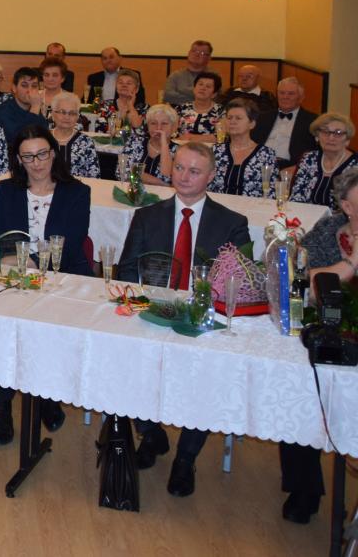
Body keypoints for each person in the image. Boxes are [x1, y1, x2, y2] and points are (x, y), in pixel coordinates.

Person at [116, 141, 251, 497]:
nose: (184, 176)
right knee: (126, 359)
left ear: (211, 176)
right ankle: (152, 434)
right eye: (178, 168)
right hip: (154, 311)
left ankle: (185, 457)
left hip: (204, 319)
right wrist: (143, 307)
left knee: (207, 377)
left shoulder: (232, 223)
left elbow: (240, 283)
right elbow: (127, 270)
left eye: (194, 171)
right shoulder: (148, 216)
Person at [0, 124, 93, 444]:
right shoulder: (6, 190)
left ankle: (44, 392)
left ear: (54, 153)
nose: (37, 162)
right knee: (6, 324)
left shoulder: (77, 191)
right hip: (15, 274)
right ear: (18, 159)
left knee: (50, 324)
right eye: (28, 156)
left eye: (42, 154)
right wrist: (18, 266)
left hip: (64, 274)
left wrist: (29, 263)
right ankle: (2, 403)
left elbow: (71, 244)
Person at [285, 168, 358, 523]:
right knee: (298, 386)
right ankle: (305, 487)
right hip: (331, 333)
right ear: (347, 206)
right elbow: (300, 281)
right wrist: (351, 264)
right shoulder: (329, 230)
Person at [209, 98, 277, 197]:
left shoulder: (266, 154)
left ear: (252, 124)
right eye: (229, 118)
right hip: (217, 205)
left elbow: (271, 192)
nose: (232, 122)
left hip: (253, 206)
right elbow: (204, 185)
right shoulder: (215, 151)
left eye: (238, 118)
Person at [289, 113, 358, 209]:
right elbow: (296, 196)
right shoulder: (309, 158)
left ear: (347, 140)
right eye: (325, 131)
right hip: (306, 215)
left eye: (338, 133)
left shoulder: (355, 165)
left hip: (343, 218)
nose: (331, 137)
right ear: (317, 137)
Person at [253, 76, 317, 167]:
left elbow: (315, 152)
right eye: (282, 93)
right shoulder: (263, 117)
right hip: (259, 163)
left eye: (291, 94)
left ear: (301, 97)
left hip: (291, 166)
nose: (285, 97)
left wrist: (297, 168)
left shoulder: (312, 121)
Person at [47, 92, 100, 178]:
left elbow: (94, 176)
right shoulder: (43, 139)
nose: (67, 117)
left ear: (77, 117)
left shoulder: (86, 142)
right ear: (53, 114)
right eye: (62, 112)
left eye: (72, 113)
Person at [125, 103, 181, 184]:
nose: (158, 128)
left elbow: (169, 179)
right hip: (133, 190)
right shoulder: (134, 143)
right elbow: (123, 172)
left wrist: (164, 144)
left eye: (164, 123)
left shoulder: (180, 152)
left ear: (173, 127)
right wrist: (160, 183)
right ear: (147, 126)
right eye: (153, 123)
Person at [0, 67, 47, 144]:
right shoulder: (2, 112)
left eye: (34, 86)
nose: (29, 90)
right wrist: (35, 107)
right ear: (14, 88)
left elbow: (45, 134)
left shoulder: (34, 109)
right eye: (24, 85)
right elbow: (20, 141)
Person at [162, 39, 213, 106]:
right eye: (194, 51)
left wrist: (182, 90)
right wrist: (199, 98)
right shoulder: (175, 76)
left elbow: (216, 98)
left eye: (202, 53)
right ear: (188, 53)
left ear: (209, 58)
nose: (197, 54)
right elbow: (168, 96)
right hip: (177, 111)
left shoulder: (213, 77)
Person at [176, 71, 224, 142]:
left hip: (210, 148)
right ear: (194, 88)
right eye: (200, 84)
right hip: (181, 146)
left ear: (214, 94)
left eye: (208, 86)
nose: (203, 88)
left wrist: (191, 138)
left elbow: (220, 137)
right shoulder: (181, 108)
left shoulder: (221, 111)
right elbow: (172, 132)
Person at [103, 68, 148, 134]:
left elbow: (137, 127)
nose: (124, 85)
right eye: (120, 82)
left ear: (137, 89)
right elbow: (100, 129)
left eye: (129, 83)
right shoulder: (106, 106)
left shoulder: (144, 108)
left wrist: (130, 106)